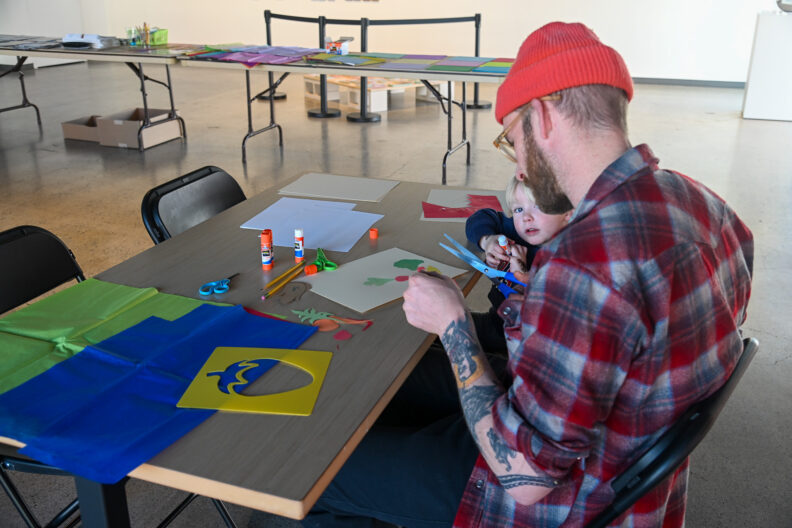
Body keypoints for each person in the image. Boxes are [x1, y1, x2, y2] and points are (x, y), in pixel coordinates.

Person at [303, 21, 753, 528]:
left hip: (555, 498)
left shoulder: (584, 263)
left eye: (511, 137)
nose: (517, 159)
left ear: (540, 116)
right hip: (615, 463)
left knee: (313, 470)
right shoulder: (708, 206)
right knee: (384, 379)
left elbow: (527, 477)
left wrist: (454, 324)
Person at [467, 174, 572, 355]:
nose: (526, 218)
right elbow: (481, 217)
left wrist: (521, 277)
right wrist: (488, 240)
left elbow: (540, 327)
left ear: (568, 214)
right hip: (498, 323)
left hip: (527, 348)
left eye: (538, 206)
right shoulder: (517, 230)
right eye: (518, 209)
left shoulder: (566, 258)